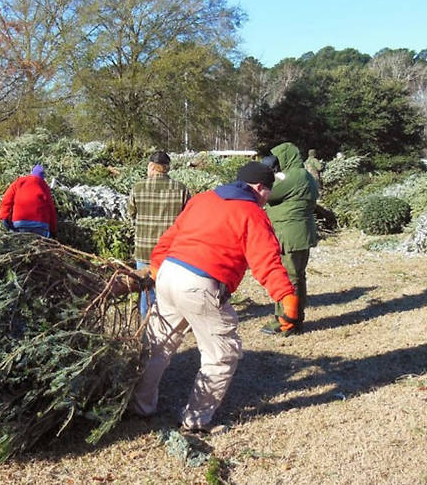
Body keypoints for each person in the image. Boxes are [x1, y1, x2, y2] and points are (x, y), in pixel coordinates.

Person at [127, 161, 299, 433]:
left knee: (157, 347)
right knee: (221, 355)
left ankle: (139, 406)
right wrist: (286, 297)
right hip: (201, 283)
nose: (268, 198)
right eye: (269, 191)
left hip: (169, 274)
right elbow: (266, 260)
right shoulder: (252, 213)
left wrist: (158, 266)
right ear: (259, 188)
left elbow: (169, 237)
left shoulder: (203, 198)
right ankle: (196, 421)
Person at [261, 142, 319, 336]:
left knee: (288, 278)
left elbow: (268, 192)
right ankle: (294, 319)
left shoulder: (293, 175)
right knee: (297, 277)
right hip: (298, 234)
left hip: (289, 234)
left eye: (277, 158)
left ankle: (287, 321)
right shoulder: (304, 175)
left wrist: (267, 175)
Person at [128, 151, 190, 317]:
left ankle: (147, 328)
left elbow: (131, 213)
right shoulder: (181, 189)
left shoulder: (138, 188)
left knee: (146, 290)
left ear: (150, 166)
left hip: (144, 249)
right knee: (170, 289)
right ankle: (172, 323)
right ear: (167, 168)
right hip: (171, 251)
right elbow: (188, 218)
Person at [0, 164, 58, 237]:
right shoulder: (44, 186)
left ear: (32, 173)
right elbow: (51, 208)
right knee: (40, 247)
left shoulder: (19, 182)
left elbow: (6, 200)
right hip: (40, 225)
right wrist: (53, 230)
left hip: (20, 222)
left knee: (20, 246)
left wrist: (4, 218)